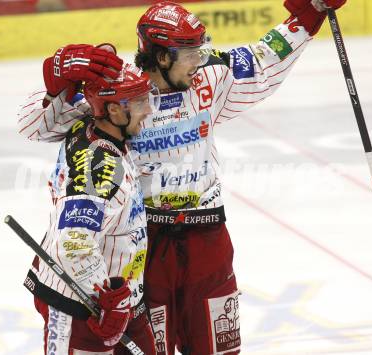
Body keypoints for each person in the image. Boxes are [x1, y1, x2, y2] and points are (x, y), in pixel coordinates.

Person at [17, 0, 347, 353]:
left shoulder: (209, 76)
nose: (201, 60)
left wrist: (309, 15)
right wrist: (55, 87)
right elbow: (34, 127)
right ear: (162, 57)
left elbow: (264, 57)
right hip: (148, 247)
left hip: (207, 240)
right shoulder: (121, 92)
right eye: (191, 53)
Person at [22, 56, 161, 354]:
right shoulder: (100, 170)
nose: (148, 110)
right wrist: (108, 299)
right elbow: (74, 242)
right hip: (82, 306)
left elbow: (33, 123)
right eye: (138, 103)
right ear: (113, 109)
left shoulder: (90, 124)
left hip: (119, 301)